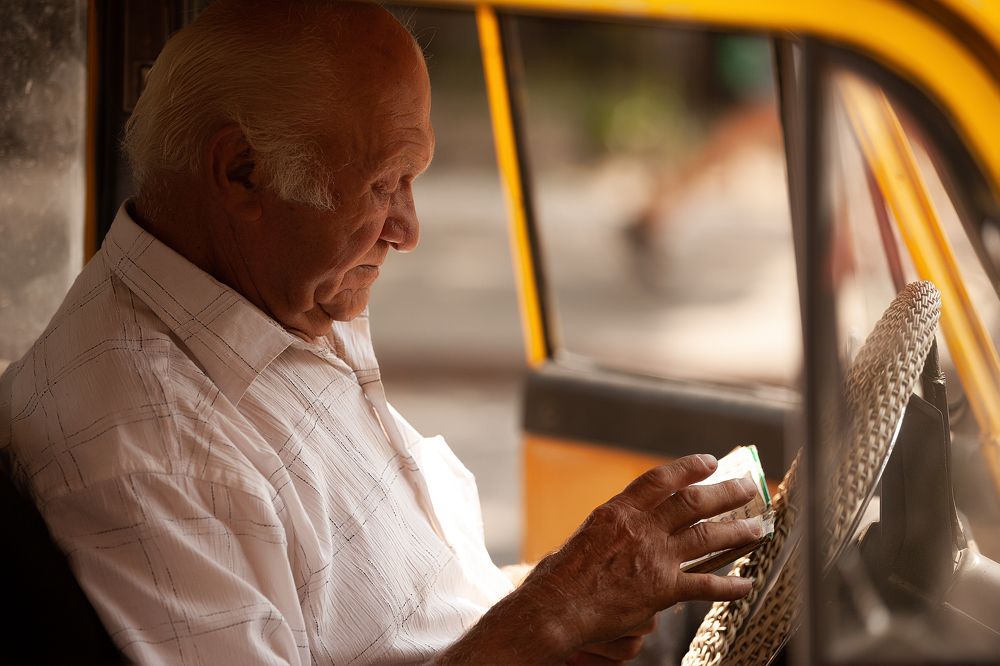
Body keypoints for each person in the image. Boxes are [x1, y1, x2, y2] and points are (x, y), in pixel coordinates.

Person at [0, 2, 763, 663]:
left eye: (413, 181)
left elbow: (398, 620)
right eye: (382, 184)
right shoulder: (146, 443)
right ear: (240, 173)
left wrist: (570, 604)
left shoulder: (264, 302)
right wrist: (554, 612)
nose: (409, 229)